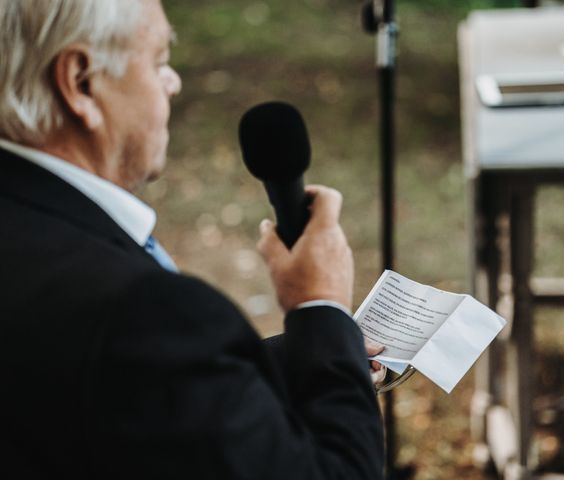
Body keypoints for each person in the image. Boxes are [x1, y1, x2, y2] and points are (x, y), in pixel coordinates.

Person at [0, 1, 385, 478]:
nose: (174, 81)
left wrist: (299, 355)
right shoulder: (144, 311)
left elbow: (90, 387)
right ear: (81, 82)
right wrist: (320, 306)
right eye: (159, 61)